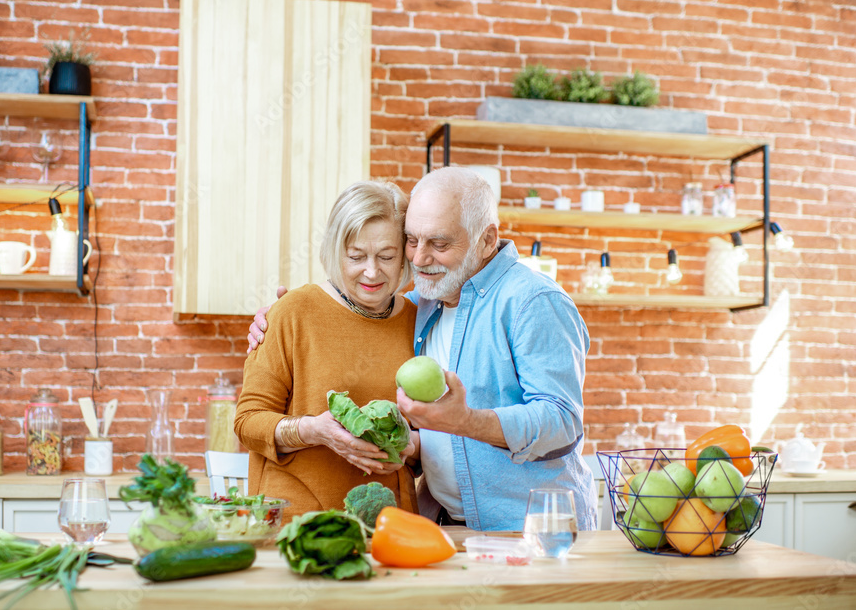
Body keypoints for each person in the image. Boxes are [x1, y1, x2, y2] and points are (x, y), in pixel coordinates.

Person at [249, 168, 598, 531]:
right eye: (411, 241)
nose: (418, 258)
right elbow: (350, 315)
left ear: (486, 239)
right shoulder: (423, 305)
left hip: (527, 528)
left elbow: (562, 422)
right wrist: (277, 317)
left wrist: (467, 422)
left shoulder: (532, 301)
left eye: (440, 244)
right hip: (444, 524)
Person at [235, 180, 419, 520]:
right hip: (298, 522)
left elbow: (431, 437)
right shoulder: (294, 310)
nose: (372, 271)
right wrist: (312, 430)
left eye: (387, 256)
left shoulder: (418, 321)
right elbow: (248, 422)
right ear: (336, 251)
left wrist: (412, 447)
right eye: (356, 256)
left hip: (390, 524)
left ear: (405, 255)